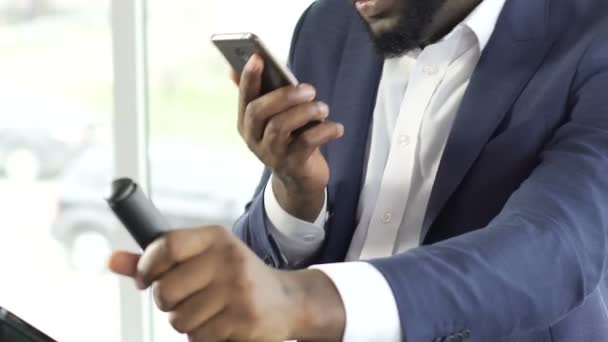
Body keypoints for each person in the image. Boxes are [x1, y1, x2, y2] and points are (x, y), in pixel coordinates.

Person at [108, 0, 608, 341]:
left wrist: (300, 301)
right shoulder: (329, 26)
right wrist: (295, 196)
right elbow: (267, 271)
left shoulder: (593, 34)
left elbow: (558, 245)